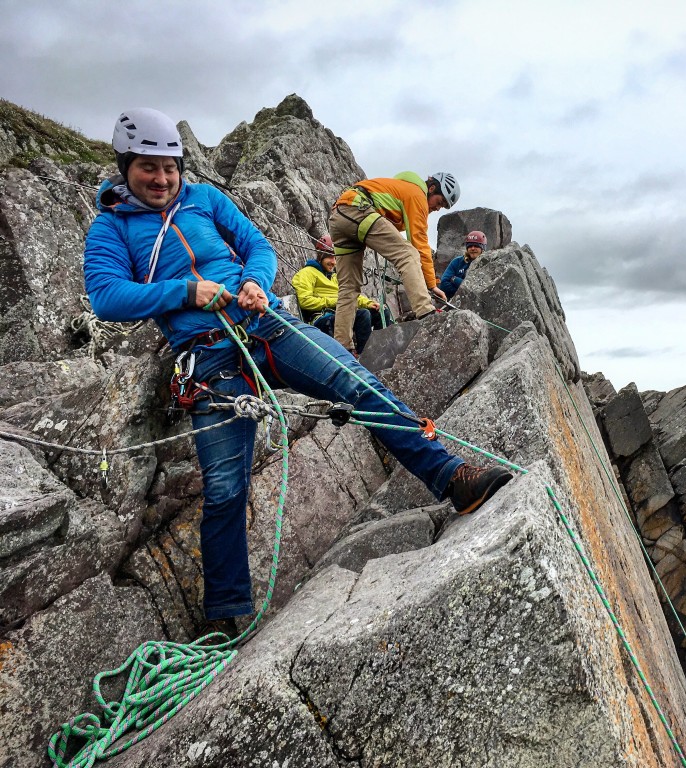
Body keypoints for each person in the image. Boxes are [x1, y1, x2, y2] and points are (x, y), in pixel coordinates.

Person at [83, 108, 513, 624]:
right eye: (148, 167)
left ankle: (452, 478)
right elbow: (106, 297)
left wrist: (255, 283)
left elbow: (257, 247)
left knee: (357, 385)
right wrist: (186, 291)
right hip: (209, 359)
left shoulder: (205, 199)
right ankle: (225, 617)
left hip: (263, 323)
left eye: (169, 166)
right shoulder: (110, 227)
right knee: (224, 487)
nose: (161, 178)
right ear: (126, 166)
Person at [327, 171, 460, 353]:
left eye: (443, 207)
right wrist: (431, 284)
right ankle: (426, 312)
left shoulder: (402, 190)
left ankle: (342, 348)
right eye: (439, 202)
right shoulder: (416, 194)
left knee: (348, 288)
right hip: (358, 210)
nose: (438, 208)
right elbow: (419, 241)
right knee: (408, 254)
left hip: (339, 217)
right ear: (431, 188)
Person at [291, 235, 392, 355]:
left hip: (342, 314)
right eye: (330, 257)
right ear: (320, 255)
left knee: (382, 312)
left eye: (335, 258)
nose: (333, 262)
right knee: (362, 314)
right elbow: (305, 301)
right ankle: (365, 355)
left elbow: (350, 295)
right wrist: (337, 301)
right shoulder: (305, 274)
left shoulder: (335, 277)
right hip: (322, 318)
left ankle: (381, 351)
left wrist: (369, 303)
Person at [439, 231, 487, 299]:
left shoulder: (487, 264)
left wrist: (455, 280)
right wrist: (461, 294)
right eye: (470, 246)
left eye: (476, 246)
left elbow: (479, 289)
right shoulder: (457, 262)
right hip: (453, 301)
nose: (473, 248)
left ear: (483, 248)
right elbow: (444, 283)